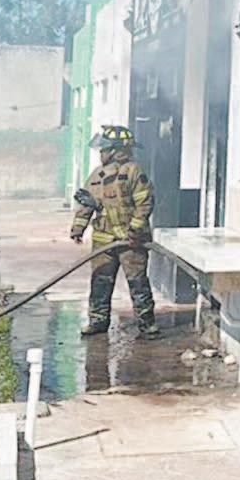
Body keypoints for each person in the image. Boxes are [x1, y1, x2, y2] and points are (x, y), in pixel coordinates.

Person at [70, 125, 159, 339]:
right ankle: (97, 321)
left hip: (131, 242)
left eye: (104, 149)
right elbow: (86, 204)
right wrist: (78, 228)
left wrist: (135, 230)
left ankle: (147, 324)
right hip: (104, 240)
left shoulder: (133, 172)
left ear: (117, 150)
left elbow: (144, 203)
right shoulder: (97, 175)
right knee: (100, 281)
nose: (101, 153)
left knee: (137, 282)